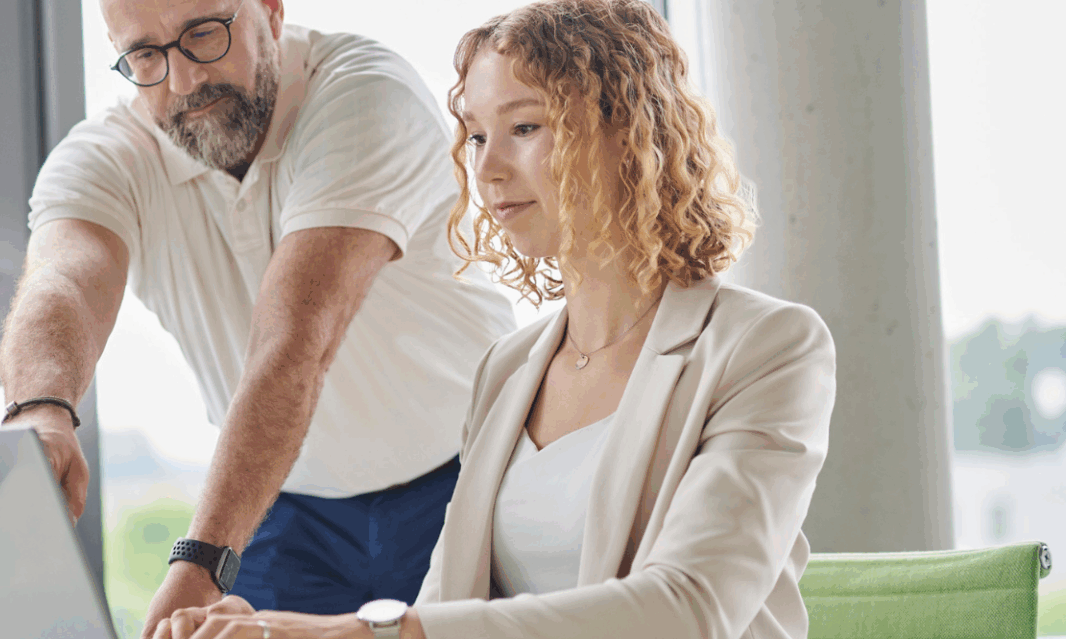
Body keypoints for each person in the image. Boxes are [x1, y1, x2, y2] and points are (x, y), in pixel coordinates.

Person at [158, 1, 836, 637]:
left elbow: (690, 605)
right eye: (477, 136)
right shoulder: (507, 369)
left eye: (524, 128)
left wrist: (360, 629)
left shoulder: (767, 347)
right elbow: (444, 611)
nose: (487, 169)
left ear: (630, 133)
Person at [0, 0, 517, 635]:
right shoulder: (108, 156)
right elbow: (63, 282)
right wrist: (41, 410)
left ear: (270, 11)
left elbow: (297, 339)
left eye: (204, 34)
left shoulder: (362, 91)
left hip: (468, 473)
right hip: (283, 499)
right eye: (145, 55)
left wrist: (202, 560)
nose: (184, 79)